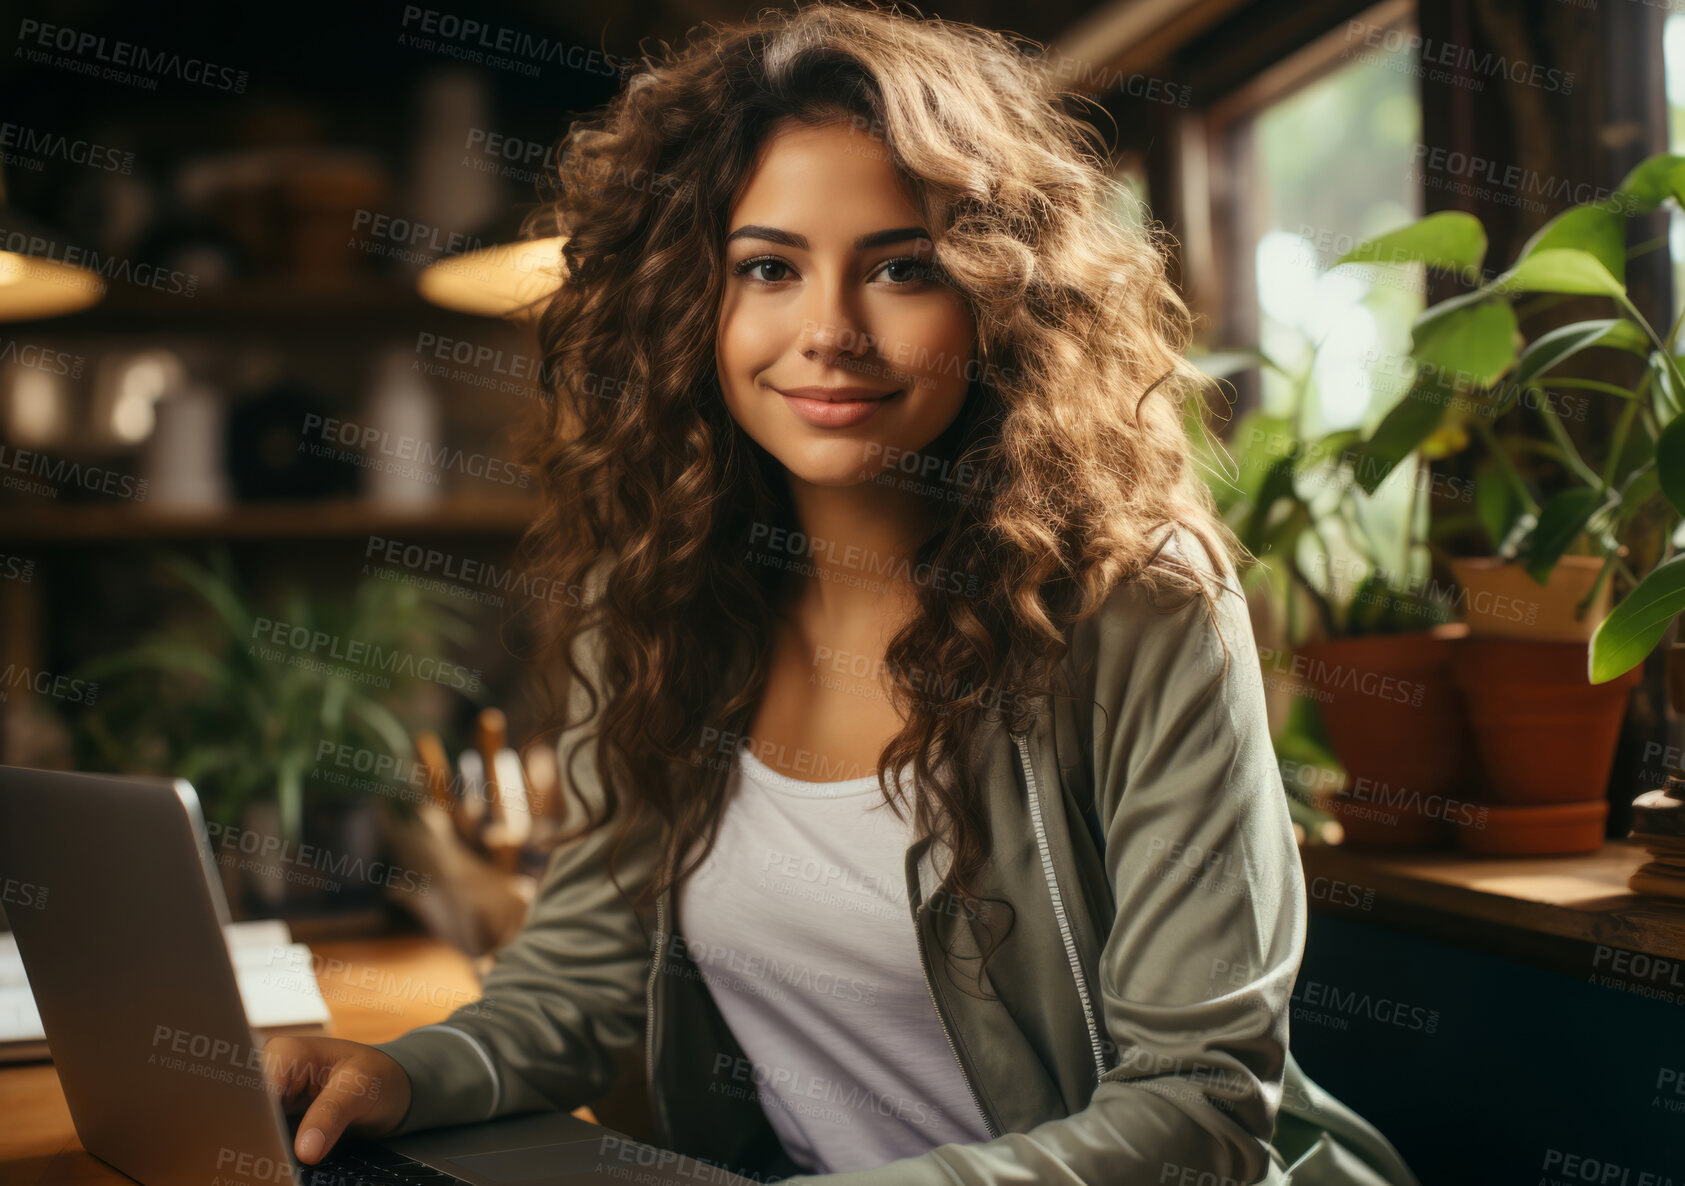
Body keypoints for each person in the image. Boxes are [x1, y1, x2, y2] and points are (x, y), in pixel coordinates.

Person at [263, 5, 1419, 1183]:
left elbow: (1198, 1110)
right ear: (693, 304)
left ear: (996, 297)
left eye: (900, 270)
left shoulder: (1141, 610)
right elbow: (581, 974)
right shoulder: (655, 594)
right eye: (767, 267)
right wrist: (406, 1072)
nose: (827, 332)